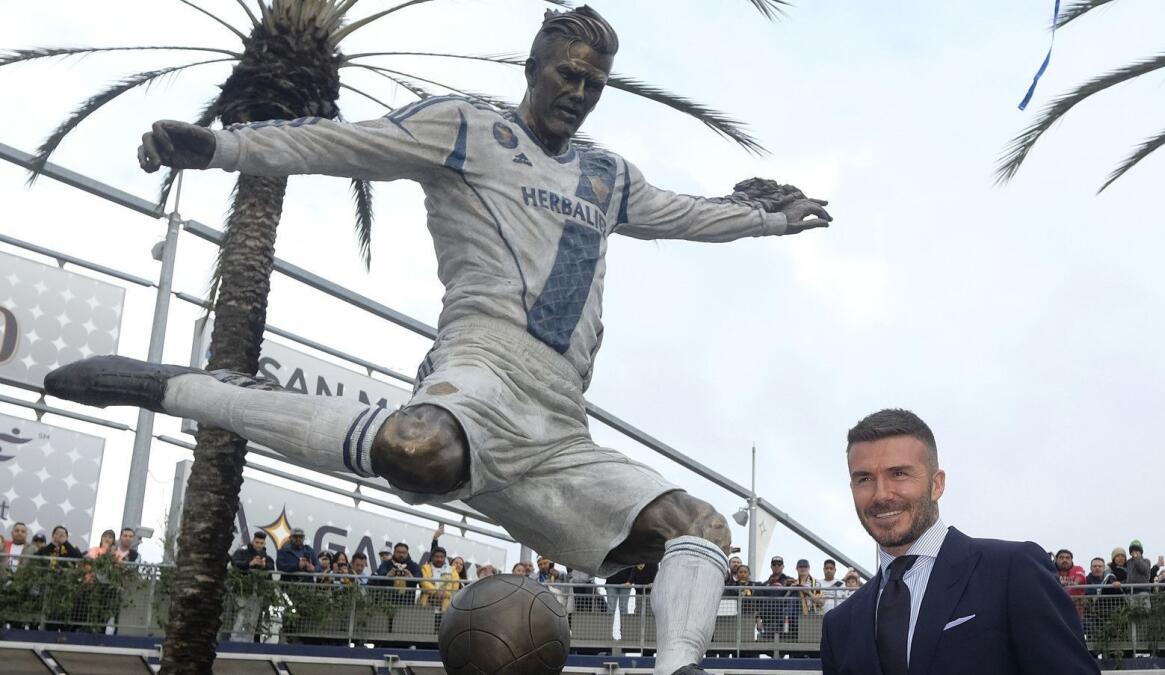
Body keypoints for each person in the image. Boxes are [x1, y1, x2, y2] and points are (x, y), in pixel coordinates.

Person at [45, 7, 831, 673]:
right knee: (418, 452)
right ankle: (183, 387)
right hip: (480, 374)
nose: (580, 93)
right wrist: (221, 147)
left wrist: (763, 214)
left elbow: (684, 215)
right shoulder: (465, 128)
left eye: (594, 84)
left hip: (561, 424)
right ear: (534, 66)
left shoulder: (608, 175)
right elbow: (337, 143)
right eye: (568, 75)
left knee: (701, 527)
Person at [820, 409, 1098, 675]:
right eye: (865, 479)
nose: (881, 494)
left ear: (937, 484)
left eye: (899, 473)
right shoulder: (840, 624)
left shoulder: (1012, 571)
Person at [420, 546, 460, 611]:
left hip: (445, 607)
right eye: (437, 556)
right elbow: (424, 582)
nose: (439, 559)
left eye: (442, 557)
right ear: (432, 557)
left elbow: (455, 588)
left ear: (445, 558)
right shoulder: (425, 568)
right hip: (427, 605)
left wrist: (445, 594)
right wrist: (436, 591)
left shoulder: (452, 570)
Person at [1054, 549, 1087, 618]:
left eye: (1067, 558)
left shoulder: (1077, 568)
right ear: (1056, 560)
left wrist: (1075, 583)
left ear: (1071, 560)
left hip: (1076, 613)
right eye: (1061, 557)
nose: (1065, 560)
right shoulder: (1051, 570)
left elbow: (1080, 576)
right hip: (1056, 611)